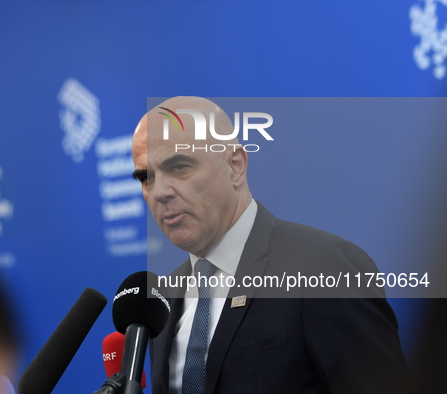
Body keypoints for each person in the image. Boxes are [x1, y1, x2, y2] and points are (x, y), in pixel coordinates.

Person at [131, 96, 411, 394]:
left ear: (235, 166)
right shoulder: (162, 299)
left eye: (179, 167)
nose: (159, 192)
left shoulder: (322, 267)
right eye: (146, 178)